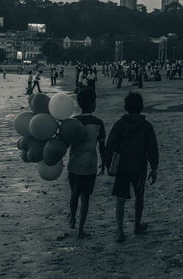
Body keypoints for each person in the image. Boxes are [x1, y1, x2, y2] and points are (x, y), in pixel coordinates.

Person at [105, 93, 159, 243]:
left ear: (126, 107)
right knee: (139, 196)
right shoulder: (146, 126)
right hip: (139, 166)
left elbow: (110, 146)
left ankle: (120, 231)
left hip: (122, 167)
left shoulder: (119, 125)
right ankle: (137, 225)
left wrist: (109, 165)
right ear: (141, 107)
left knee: (120, 199)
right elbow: (152, 148)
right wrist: (154, 167)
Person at [68, 87, 106, 239]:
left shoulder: (73, 121)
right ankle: (81, 229)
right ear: (94, 104)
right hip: (89, 165)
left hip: (74, 163)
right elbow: (102, 146)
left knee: (74, 193)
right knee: (85, 198)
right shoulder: (98, 123)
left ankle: (72, 218)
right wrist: (104, 163)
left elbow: (66, 142)